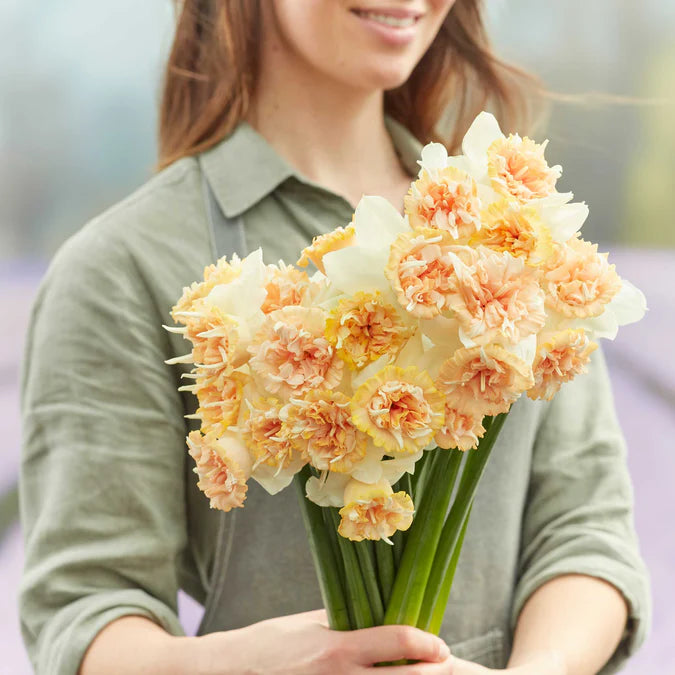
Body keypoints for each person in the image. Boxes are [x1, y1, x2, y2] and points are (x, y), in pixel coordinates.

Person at [19, 1, 650, 674]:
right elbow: (85, 607)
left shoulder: (510, 231)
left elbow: (585, 533)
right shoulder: (124, 265)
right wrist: (250, 665)